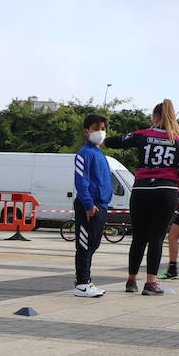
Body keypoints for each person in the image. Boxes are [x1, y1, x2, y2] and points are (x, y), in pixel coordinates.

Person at [106, 100, 179, 295]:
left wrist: (98, 137)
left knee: (139, 237)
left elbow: (116, 140)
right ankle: (151, 283)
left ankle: (131, 281)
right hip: (165, 191)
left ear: (155, 117)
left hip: (141, 191)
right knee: (156, 238)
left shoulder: (143, 135)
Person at [71, 114, 111, 297]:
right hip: (89, 206)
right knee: (85, 245)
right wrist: (88, 204)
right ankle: (82, 283)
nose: (100, 133)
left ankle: (86, 280)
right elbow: (81, 181)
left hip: (101, 205)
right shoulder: (84, 154)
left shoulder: (99, 154)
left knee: (93, 244)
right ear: (87, 131)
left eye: (103, 129)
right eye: (96, 129)